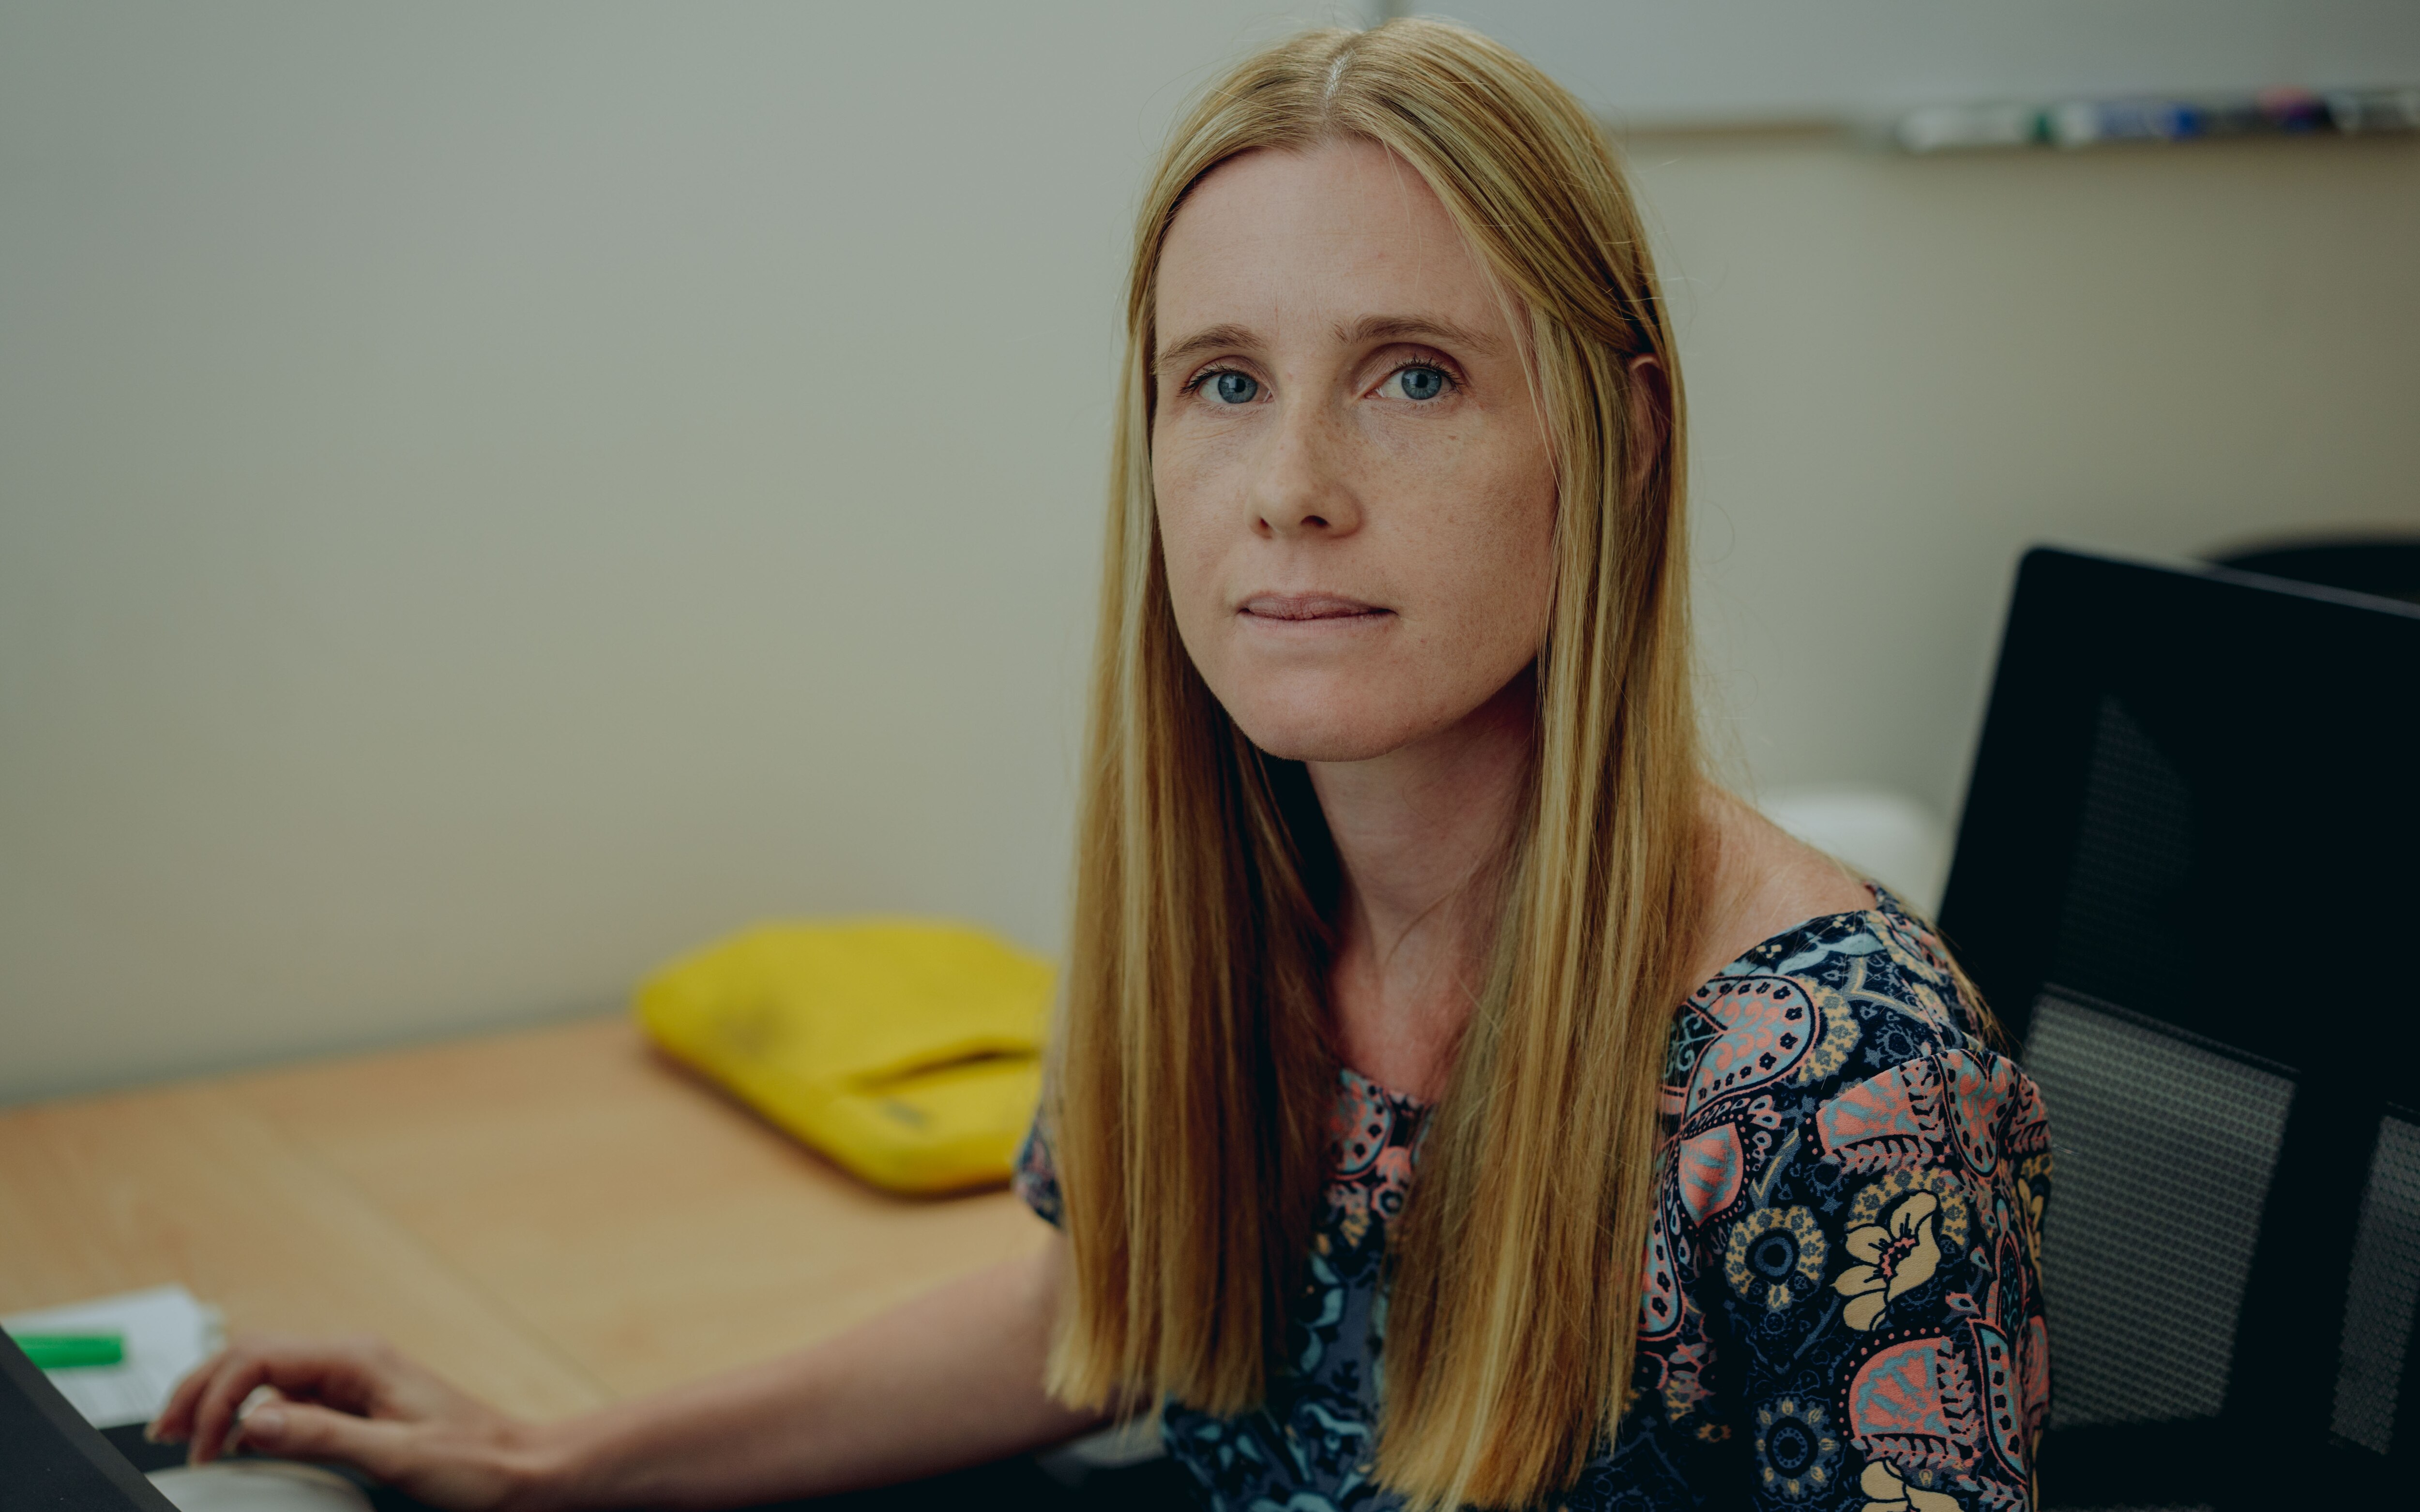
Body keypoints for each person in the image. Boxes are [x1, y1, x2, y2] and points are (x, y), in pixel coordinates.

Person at [151, 20, 2051, 1512]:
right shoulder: (1242, 907)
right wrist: (554, 1459)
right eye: (1220, 380)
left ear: (1617, 439)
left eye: (1410, 376)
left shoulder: (1842, 1089)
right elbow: (1111, 1309)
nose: (1289, 485)